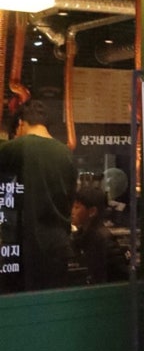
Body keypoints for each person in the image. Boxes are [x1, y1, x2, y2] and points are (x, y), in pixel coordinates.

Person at [0, 100, 77, 291]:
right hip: (59, 245)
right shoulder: (66, 153)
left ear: (21, 123)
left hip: (28, 248)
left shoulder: (21, 146)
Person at [70, 186, 129, 284]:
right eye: (73, 207)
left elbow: (118, 276)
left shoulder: (103, 240)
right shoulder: (79, 236)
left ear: (92, 212)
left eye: (77, 207)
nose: (72, 212)